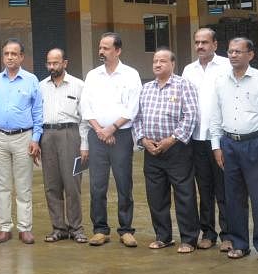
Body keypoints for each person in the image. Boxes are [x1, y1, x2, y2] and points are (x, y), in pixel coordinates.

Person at [211, 38, 258, 262]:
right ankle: (240, 243)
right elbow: (215, 116)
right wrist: (216, 146)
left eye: (238, 52)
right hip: (229, 144)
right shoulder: (220, 81)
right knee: (233, 198)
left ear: (250, 55)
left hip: (257, 144)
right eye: (230, 51)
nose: (233, 55)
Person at [132, 49, 200, 252]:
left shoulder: (183, 85)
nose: (158, 64)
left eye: (163, 61)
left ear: (173, 64)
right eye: (155, 61)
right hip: (151, 150)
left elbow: (190, 116)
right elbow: (137, 118)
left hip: (176, 149)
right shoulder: (146, 88)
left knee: (184, 194)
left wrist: (172, 139)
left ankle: (189, 239)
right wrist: (143, 139)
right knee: (156, 196)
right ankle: (163, 236)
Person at [80, 32, 143, 247]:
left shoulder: (131, 75)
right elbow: (85, 106)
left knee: (124, 183)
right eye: (100, 47)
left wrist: (112, 128)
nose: (101, 52)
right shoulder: (92, 75)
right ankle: (100, 229)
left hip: (121, 136)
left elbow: (133, 107)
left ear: (118, 51)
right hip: (97, 136)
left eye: (106, 48)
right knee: (97, 185)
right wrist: (100, 130)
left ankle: (125, 229)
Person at [182, 27, 231, 251]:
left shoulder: (226, 66)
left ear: (215, 45)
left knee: (224, 188)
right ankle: (208, 233)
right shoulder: (188, 70)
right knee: (204, 188)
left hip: (219, 137)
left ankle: (228, 235)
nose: (200, 46)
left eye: (205, 42)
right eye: (197, 42)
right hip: (195, 137)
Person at [0, 39, 43, 244]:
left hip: (24, 137)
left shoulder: (31, 80)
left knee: (23, 185)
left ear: (22, 57)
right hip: (0, 137)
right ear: (3, 57)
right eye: (6, 54)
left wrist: (36, 139)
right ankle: (4, 228)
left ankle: (25, 228)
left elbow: (38, 111)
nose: (10, 57)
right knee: (1, 185)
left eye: (14, 54)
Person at [38, 48, 90, 243]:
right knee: (51, 184)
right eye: (49, 63)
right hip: (47, 135)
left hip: (71, 135)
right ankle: (58, 227)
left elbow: (84, 118)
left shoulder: (78, 85)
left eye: (56, 63)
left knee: (72, 183)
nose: (52, 67)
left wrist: (84, 144)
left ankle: (76, 227)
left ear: (65, 63)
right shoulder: (41, 86)